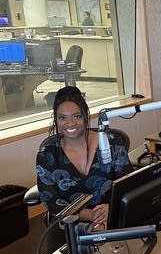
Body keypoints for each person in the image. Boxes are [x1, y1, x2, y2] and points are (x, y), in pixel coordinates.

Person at [36, 86, 132, 229]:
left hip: (112, 214)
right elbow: (51, 202)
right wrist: (91, 215)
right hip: (70, 221)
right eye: (62, 117)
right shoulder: (47, 155)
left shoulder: (111, 143)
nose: (70, 123)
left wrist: (111, 207)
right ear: (56, 119)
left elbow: (127, 183)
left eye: (77, 116)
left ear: (86, 116)